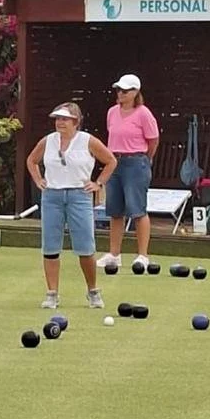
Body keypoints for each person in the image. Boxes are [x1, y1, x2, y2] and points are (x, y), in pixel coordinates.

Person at [26, 102, 116, 310]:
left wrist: (98, 183)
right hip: (52, 197)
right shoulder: (47, 141)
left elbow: (111, 161)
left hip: (79, 195)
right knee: (50, 247)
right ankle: (52, 294)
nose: (60, 122)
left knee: (85, 247)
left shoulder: (88, 141)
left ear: (76, 121)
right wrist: (39, 180)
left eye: (65, 119)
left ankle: (93, 291)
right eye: (58, 118)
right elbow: (32, 160)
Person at [97, 74, 160, 272]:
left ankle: (143, 255)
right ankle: (114, 255)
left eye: (125, 91)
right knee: (115, 211)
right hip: (114, 162)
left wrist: (145, 159)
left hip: (136, 163)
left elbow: (153, 140)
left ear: (135, 93)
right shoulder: (112, 112)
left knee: (138, 210)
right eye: (118, 90)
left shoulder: (143, 113)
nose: (120, 94)